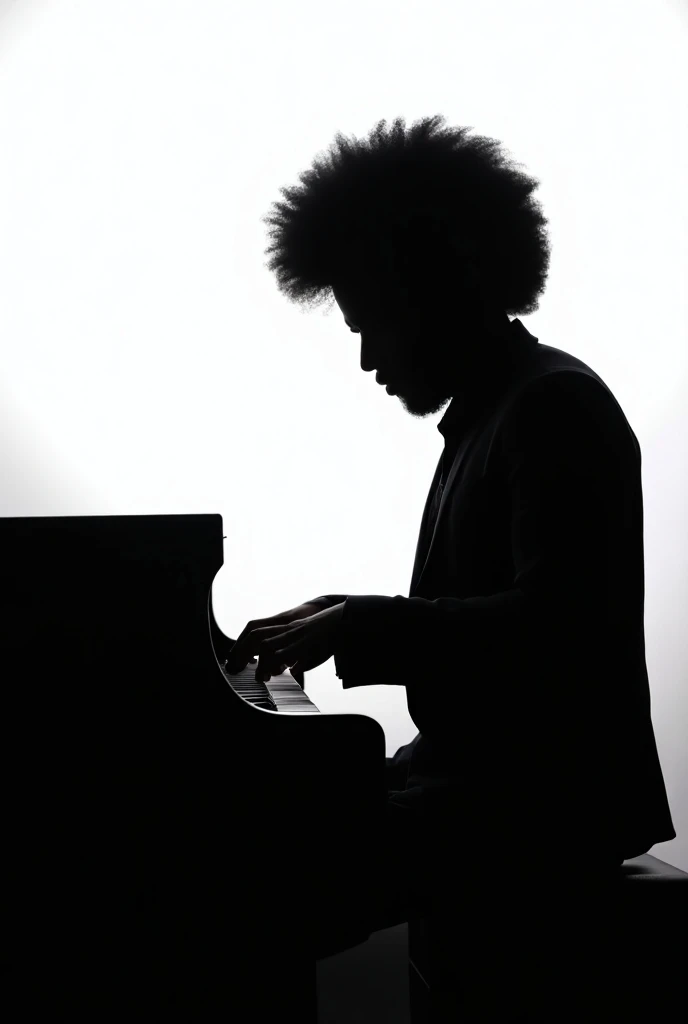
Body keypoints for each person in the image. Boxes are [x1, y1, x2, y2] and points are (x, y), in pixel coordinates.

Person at [226, 115, 676, 971]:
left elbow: (558, 629)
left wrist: (363, 625)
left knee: (246, 873)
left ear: (436, 288)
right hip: (489, 788)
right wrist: (342, 615)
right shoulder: (500, 411)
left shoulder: (553, 407)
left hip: (542, 813)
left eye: (373, 324)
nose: (365, 360)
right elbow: (490, 622)